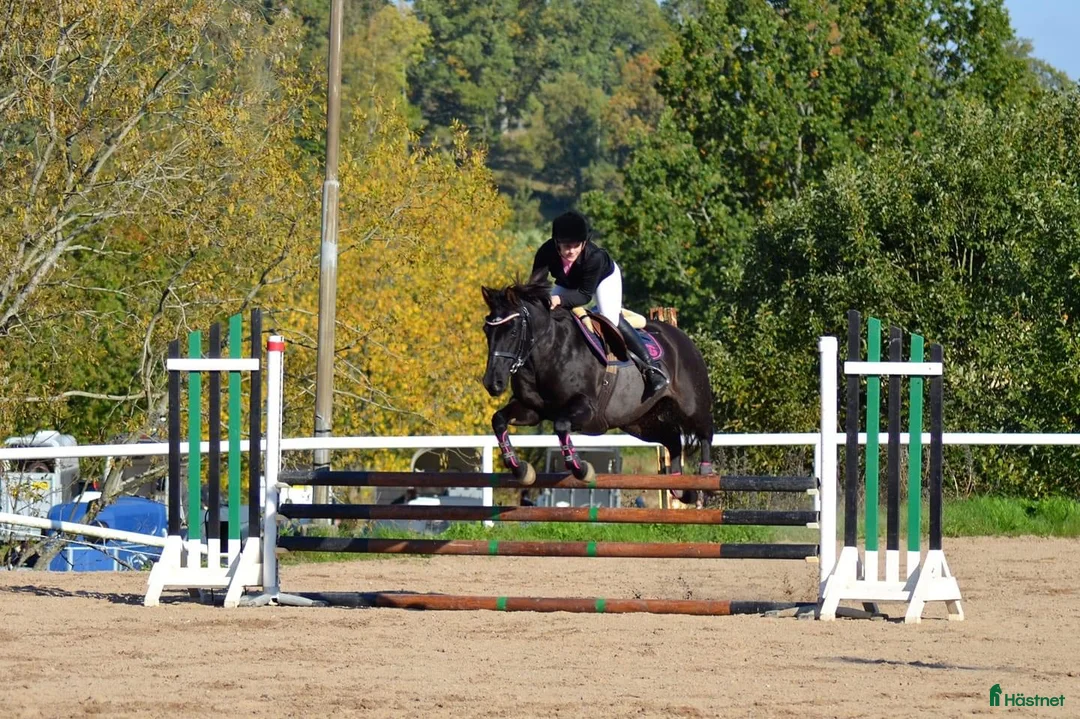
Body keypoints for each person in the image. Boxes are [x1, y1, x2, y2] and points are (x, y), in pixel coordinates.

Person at [531, 210, 669, 396]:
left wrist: (559, 299)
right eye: (565, 246)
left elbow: (584, 296)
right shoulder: (546, 252)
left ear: (584, 242)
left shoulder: (595, 257)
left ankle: (652, 368)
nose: (571, 251)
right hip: (569, 282)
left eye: (576, 245)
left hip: (604, 280)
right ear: (556, 243)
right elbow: (535, 285)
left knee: (609, 318)